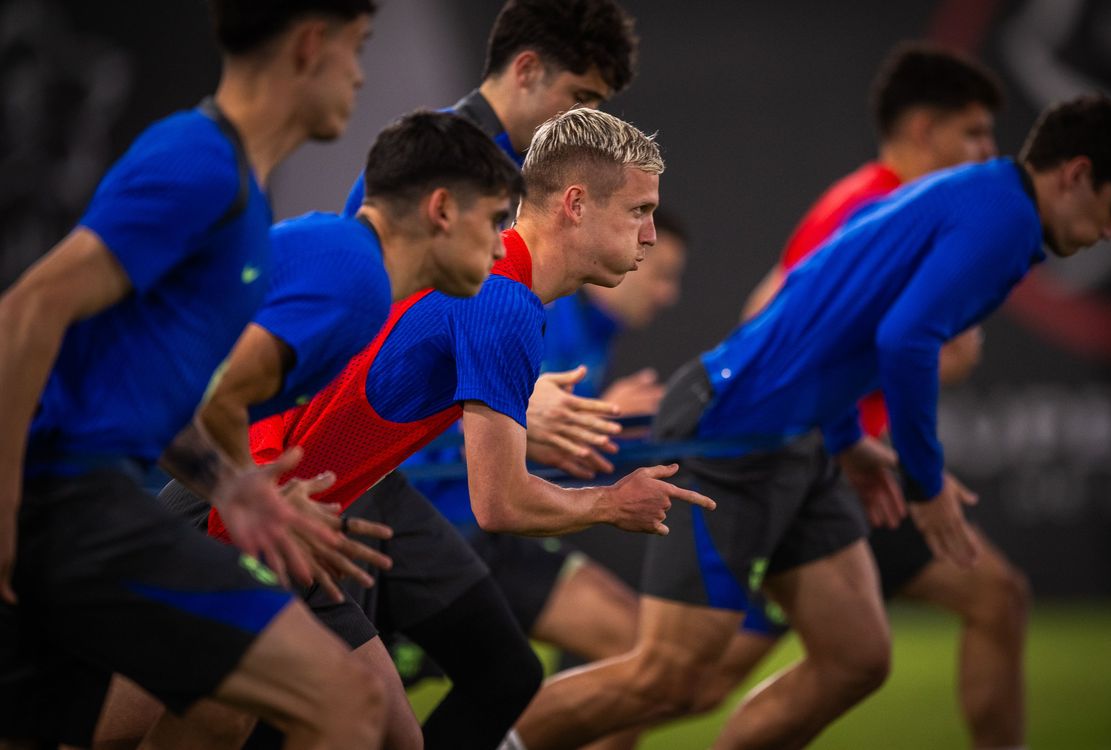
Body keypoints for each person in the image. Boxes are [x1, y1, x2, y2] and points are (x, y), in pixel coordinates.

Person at [508, 93, 1111, 750]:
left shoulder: (976, 199)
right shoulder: (1003, 219)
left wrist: (848, 439)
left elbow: (840, 316)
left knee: (857, 658)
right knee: (669, 678)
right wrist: (926, 486)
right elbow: (903, 340)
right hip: (736, 431)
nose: (1108, 233)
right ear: (1075, 174)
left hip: (801, 439)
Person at [240, 107, 712, 750]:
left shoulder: (493, 287)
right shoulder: (503, 298)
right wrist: (611, 502)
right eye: (638, 211)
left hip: (289, 513)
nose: (651, 235)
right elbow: (500, 501)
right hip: (258, 519)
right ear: (575, 204)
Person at [0, 1, 387, 747]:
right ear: (311, 44)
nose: (360, 74)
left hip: (84, 500)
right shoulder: (200, 160)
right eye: (357, 47)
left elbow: (131, 387)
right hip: (67, 503)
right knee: (348, 702)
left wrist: (234, 485)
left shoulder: (239, 191)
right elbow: (27, 310)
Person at [98, 110, 526, 750]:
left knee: (316, 717)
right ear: (441, 209)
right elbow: (213, 396)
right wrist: (254, 494)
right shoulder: (355, 280)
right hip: (78, 483)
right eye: (495, 221)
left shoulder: (352, 270)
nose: (500, 248)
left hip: (135, 486)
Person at [691, 45, 1032, 750]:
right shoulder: (890, 208)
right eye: (972, 133)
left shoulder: (855, 201)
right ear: (922, 131)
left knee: (695, 678)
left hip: (823, 457)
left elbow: (766, 308)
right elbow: (932, 349)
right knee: (991, 600)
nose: (986, 151)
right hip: (830, 468)